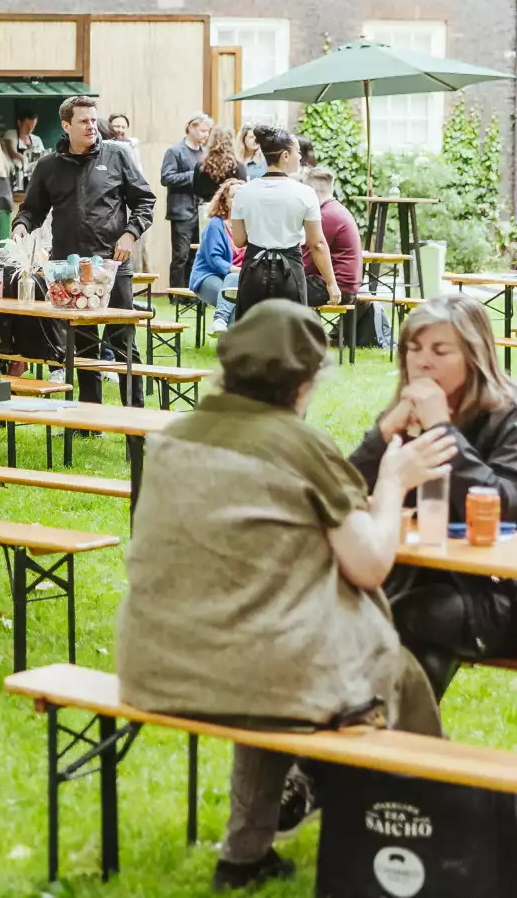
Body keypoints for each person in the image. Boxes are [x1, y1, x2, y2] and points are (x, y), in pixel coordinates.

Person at [116, 301, 450, 891]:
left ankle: (244, 857)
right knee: (390, 670)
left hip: (155, 666)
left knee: (266, 653)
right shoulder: (301, 447)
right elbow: (371, 564)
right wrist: (394, 483)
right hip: (262, 669)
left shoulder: (173, 437)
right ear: (304, 384)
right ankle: (414, 843)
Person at [349, 295, 517, 700]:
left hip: (495, 591)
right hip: (415, 576)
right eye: (413, 348)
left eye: (440, 351)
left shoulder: (508, 415)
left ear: (474, 358)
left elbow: (506, 505)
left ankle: (375, 752)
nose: (421, 362)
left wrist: (443, 429)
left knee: (411, 619)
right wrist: (382, 436)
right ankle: (360, 748)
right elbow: (343, 493)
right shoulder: (404, 416)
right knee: (347, 613)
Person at [13, 96, 156, 407]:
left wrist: (131, 234)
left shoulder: (118, 154)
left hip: (112, 264)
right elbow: (32, 209)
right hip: (68, 268)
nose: (92, 126)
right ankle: (90, 418)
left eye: (93, 120)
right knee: (83, 345)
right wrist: (22, 224)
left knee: (123, 342)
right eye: (83, 121)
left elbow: (145, 202)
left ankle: (135, 414)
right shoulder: (48, 165)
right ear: (66, 126)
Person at [229, 124, 337, 318]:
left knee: (252, 335)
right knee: (291, 337)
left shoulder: (243, 192)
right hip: (289, 274)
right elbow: (318, 244)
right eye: (297, 152)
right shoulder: (305, 193)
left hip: (253, 270)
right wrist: (331, 283)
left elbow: (238, 240)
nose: (300, 157)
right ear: (285, 156)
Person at [160, 112, 212, 291]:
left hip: (202, 211)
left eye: (208, 131)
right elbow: (166, 178)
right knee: (180, 255)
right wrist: (194, 175)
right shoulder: (175, 151)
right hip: (182, 212)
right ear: (191, 127)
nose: (206, 134)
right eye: (203, 130)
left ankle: (191, 292)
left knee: (196, 255)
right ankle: (176, 294)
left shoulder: (206, 153)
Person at [188, 178, 245, 336]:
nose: (238, 199)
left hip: (237, 278)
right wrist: (239, 270)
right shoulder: (216, 224)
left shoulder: (251, 226)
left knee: (235, 287)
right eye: (233, 196)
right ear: (224, 201)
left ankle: (222, 329)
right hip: (208, 276)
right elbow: (215, 260)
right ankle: (233, 348)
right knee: (233, 299)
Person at [303, 166, 361, 310]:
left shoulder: (325, 216)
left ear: (310, 189)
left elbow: (307, 260)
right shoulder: (335, 209)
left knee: (274, 290)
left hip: (336, 288)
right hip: (344, 285)